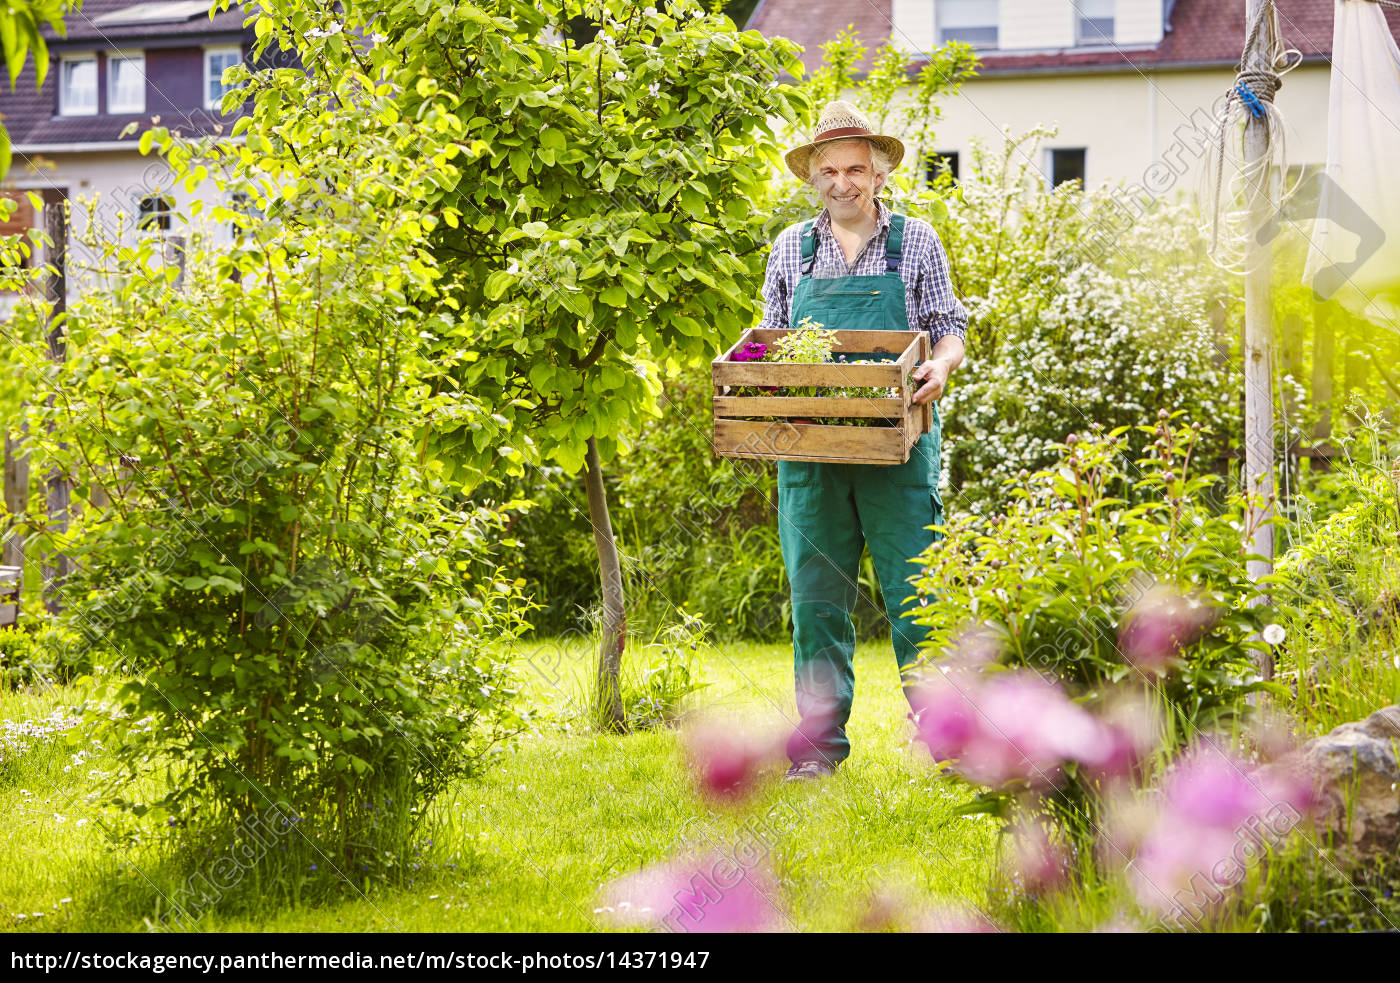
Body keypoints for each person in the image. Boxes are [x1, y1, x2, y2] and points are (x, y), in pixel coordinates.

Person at [757, 100, 968, 781]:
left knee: (916, 594)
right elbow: (769, 343)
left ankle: (951, 744)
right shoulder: (793, 247)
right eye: (829, 170)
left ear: (879, 175)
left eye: (856, 168)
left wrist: (941, 363)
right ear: (813, 177)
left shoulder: (917, 241)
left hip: (896, 450)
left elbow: (949, 324)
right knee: (818, 601)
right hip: (811, 455)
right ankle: (817, 749)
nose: (842, 182)